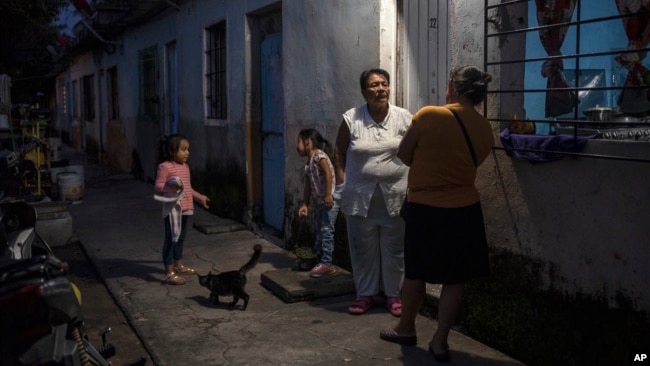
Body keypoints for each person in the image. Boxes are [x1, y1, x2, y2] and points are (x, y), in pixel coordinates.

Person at [378, 65, 494, 363]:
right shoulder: (484, 127)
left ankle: (406, 328)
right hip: (465, 210)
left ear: (453, 87)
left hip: (426, 209)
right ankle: (440, 342)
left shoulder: (429, 114)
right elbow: (474, 162)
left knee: (416, 273)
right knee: (455, 278)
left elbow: (404, 156)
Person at [334, 68, 412, 317]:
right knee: (362, 248)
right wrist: (342, 182)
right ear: (364, 91)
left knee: (395, 249)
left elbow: (415, 150)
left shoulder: (404, 118)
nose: (381, 89)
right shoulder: (351, 118)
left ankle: (394, 296)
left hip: (395, 195)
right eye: (374, 85)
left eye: (385, 84)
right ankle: (365, 294)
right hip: (359, 196)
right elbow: (339, 150)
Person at [154, 134, 210, 285]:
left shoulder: (185, 167)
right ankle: (169, 272)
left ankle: (179, 265)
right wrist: (171, 186)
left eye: (188, 149)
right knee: (171, 239)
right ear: (173, 151)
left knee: (181, 238)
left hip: (186, 208)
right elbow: (158, 186)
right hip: (173, 209)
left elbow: (188, 188)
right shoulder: (165, 166)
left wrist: (200, 197)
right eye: (183, 149)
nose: (187, 153)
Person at [296, 128, 339, 278]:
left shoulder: (319, 156)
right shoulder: (309, 163)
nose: (297, 146)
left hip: (328, 202)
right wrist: (305, 204)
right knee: (320, 232)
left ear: (308, 142)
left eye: (299, 141)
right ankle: (316, 259)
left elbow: (328, 173)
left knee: (327, 231)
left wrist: (328, 194)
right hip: (321, 202)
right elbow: (308, 185)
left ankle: (327, 263)